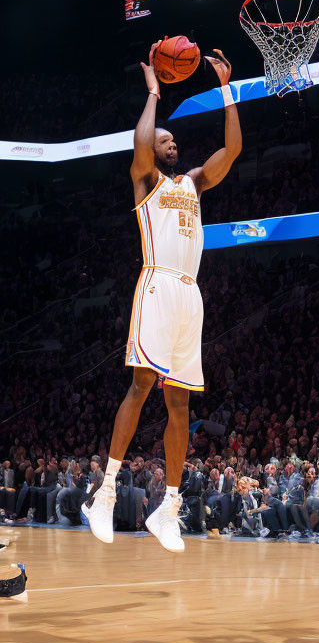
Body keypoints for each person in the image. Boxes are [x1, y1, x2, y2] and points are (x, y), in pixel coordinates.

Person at [82, 40, 241, 552]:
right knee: (142, 385)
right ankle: (104, 491)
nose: (169, 144)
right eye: (163, 140)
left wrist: (226, 89)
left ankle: (168, 506)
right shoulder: (145, 180)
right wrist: (153, 93)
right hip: (156, 283)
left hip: (190, 294)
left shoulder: (193, 183)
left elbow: (232, 151)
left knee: (180, 402)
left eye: (173, 141)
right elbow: (141, 142)